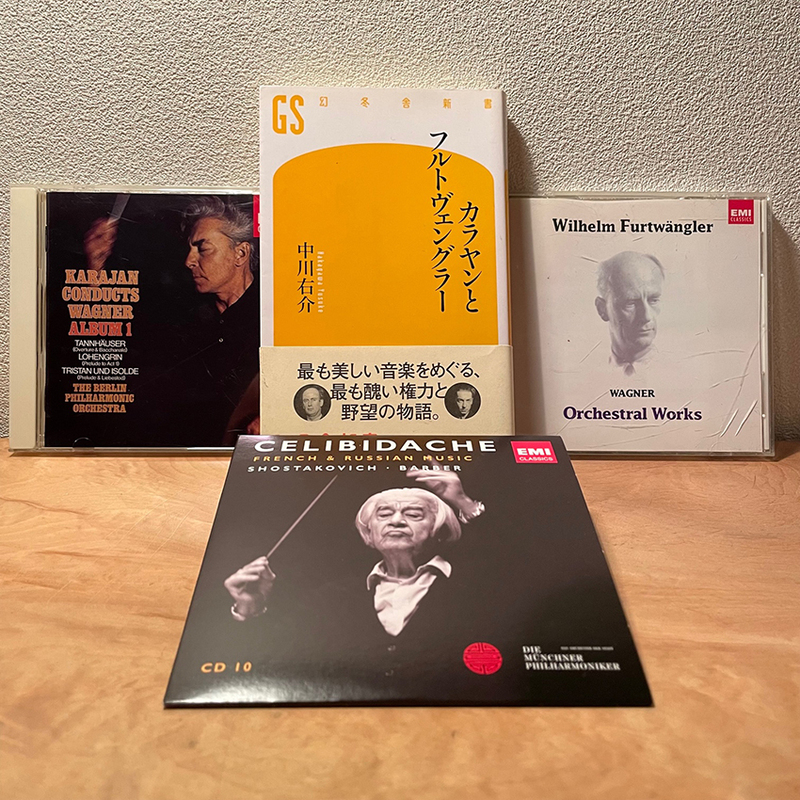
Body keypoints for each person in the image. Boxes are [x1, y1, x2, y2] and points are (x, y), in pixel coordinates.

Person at [224, 469, 484, 632]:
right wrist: (249, 607)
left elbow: (504, 555)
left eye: (414, 514)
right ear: (369, 534)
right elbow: (276, 657)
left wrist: (463, 502)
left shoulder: (474, 582)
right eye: (384, 514)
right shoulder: (333, 598)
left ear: (439, 530)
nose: (396, 521)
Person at [594, 251, 664, 376]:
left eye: (653, 300)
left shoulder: (681, 372)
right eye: (630, 303)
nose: (646, 316)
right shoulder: (588, 373)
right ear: (602, 309)